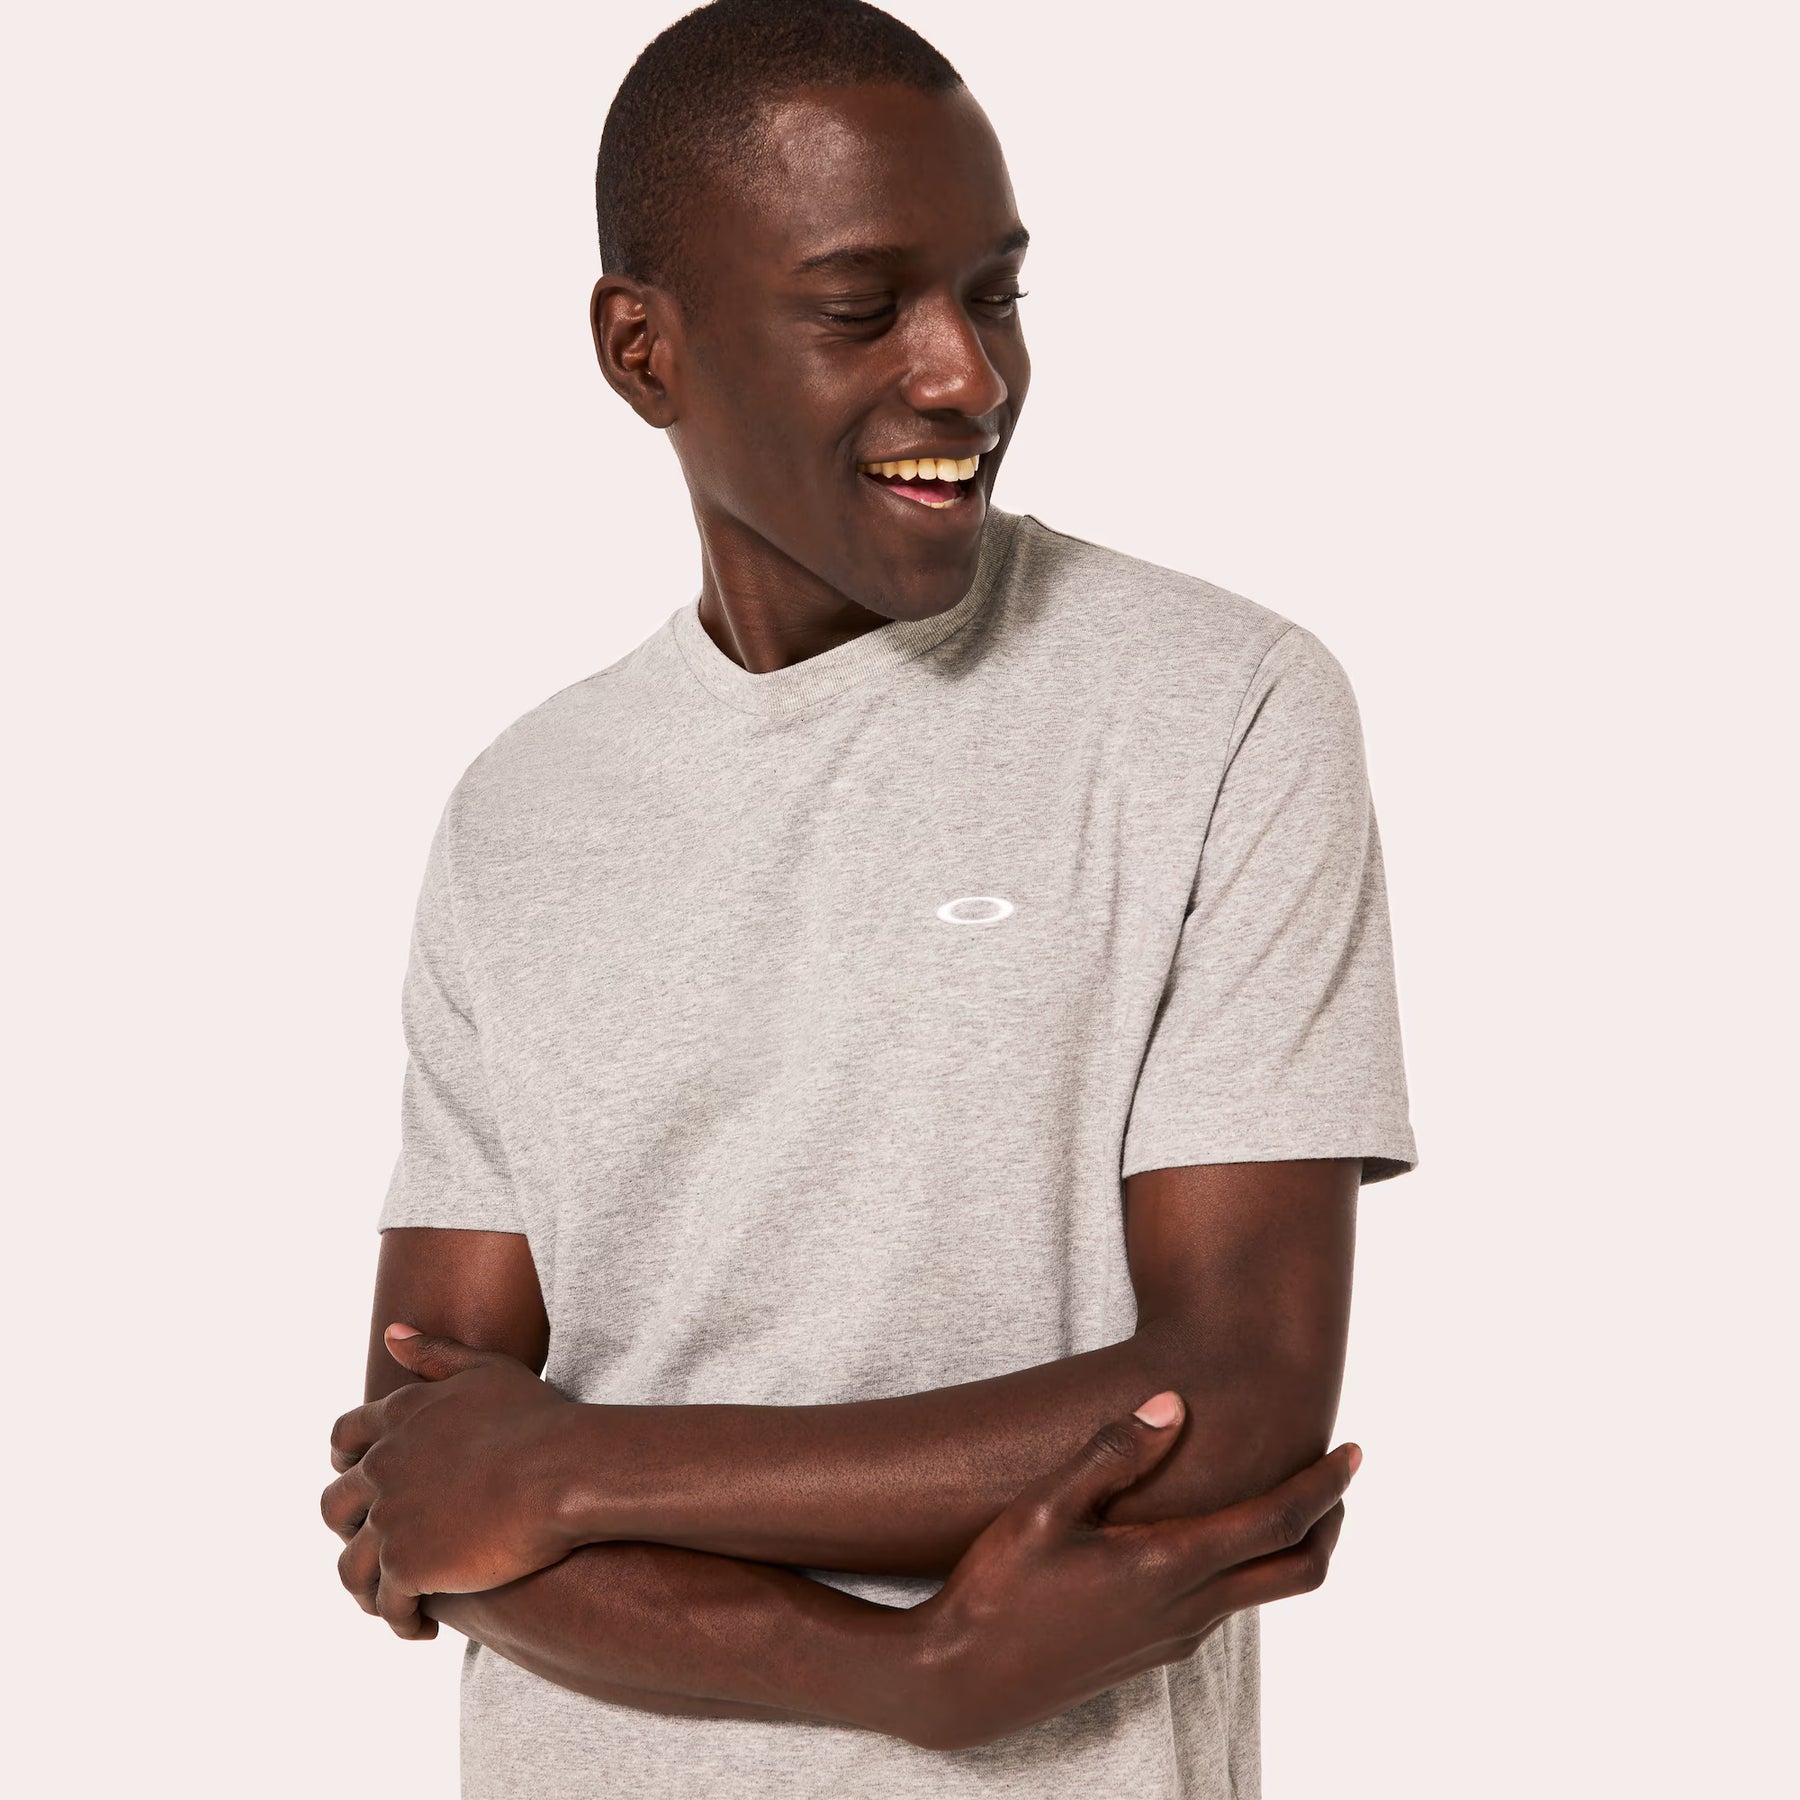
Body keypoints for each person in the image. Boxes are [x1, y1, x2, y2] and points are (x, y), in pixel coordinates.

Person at [319, 2, 1418, 1794]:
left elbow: (1234, 1403)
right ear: (643, 352)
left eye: (997, 295)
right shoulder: (521, 812)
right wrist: (904, 1673)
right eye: (862, 308)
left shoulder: (1220, 708)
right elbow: (426, 1491)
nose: (966, 376)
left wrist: (574, 1471)